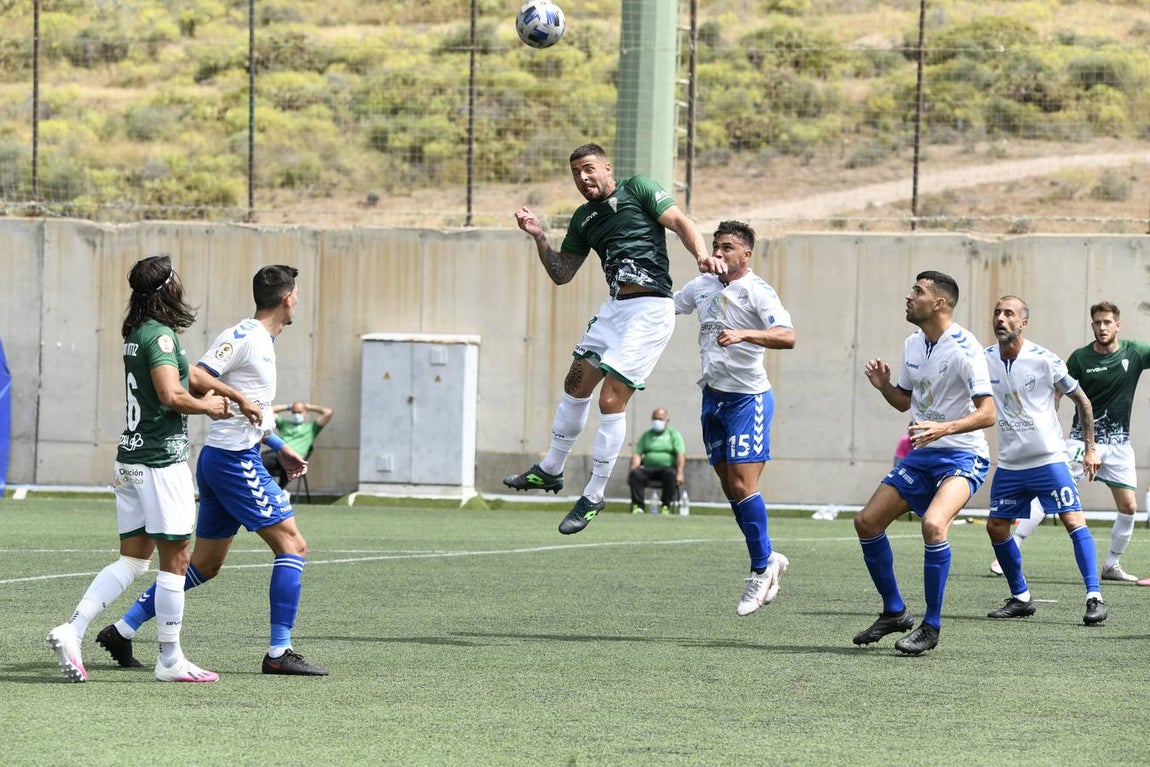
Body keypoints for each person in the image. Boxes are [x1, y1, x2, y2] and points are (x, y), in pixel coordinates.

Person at [95, 265, 329, 676]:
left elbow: (250, 414)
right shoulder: (246, 337)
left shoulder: (263, 341)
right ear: (288, 298)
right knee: (293, 547)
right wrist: (236, 397)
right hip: (232, 463)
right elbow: (198, 375)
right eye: (296, 296)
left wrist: (279, 446)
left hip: (226, 459)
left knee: (203, 565)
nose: (297, 302)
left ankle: (123, 628)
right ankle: (279, 652)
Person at [503, 143, 724, 534]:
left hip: (651, 310)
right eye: (575, 173)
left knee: (610, 400)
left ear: (607, 167)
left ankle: (593, 494)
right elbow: (562, 273)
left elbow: (680, 222)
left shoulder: (637, 188)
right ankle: (551, 469)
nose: (583, 178)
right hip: (615, 310)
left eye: (589, 169)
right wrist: (539, 238)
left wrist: (702, 256)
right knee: (575, 384)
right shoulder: (583, 218)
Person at [47, 255, 246, 683]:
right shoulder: (161, 337)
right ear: (167, 289)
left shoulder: (139, 333)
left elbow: (183, 373)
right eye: (177, 279)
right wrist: (210, 406)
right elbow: (172, 392)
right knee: (177, 559)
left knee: (133, 561)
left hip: (131, 460)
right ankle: (170, 660)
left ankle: (73, 628)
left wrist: (231, 393)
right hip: (159, 462)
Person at [852, 270, 995, 655]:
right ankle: (895, 611)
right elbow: (905, 401)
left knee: (933, 525)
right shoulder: (913, 344)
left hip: (964, 454)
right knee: (866, 522)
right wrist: (884, 386)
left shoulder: (967, 349)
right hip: (924, 455)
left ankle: (931, 626)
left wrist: (943, 429)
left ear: (940, 303)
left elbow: (988, 414)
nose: (909, 296)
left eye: (918, 291)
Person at [674, 220, 794, 615]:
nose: (720, 253)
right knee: (730, 487)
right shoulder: (703, 285)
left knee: (744, 484)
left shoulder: (758, 291)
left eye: (728, 247)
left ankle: (761, 568)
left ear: (746, 254)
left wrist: (745, 334)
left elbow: (787, 336)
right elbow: (671, 304)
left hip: (748, 399)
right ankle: (770, 558)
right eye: (716, 246)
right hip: (712, 398)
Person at [990, 301, 1150, 583]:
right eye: (1097, 323)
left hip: (1120, 443)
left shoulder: (1135, 352)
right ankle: (1011, 548)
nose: (1102, 327)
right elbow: (1058, 391)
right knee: (1050, 496)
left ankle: (1111, 565)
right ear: (1092, 326)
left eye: (1107, 322)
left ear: (1118, 325)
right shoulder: (1080, 358)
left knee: (1129, 507)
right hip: (1080, 441)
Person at [982, 296, 1108, 626]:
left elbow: (1082, 400)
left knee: (1072, 520)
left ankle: (1094, 597)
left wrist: (1090, 447)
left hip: (1049, 460)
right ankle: (1021, 597)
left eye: (1009, 314)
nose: (1001, 318)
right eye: (997, 313)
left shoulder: (1044, 360)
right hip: (1010, 464)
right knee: (996, 526)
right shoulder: (984, 360)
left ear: (1023, 322)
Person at [627, 407, 686, 515]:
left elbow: (680, 454)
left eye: (660, 419)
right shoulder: (646, 435)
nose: (657, 421)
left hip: (667, 470)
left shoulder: (674, 435)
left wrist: (680, 473)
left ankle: (665, 506)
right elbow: (637, 454)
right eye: (654, 419)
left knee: (671, 474)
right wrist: (632, 470)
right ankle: (638, 506)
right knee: (636, 474)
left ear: (666, 421)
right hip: (649, 469)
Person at [263, 400, 334, 487]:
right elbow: (267, 411)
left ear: (305, 412)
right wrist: (289, 406)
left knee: (290, 462)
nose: (296, 414)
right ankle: (266, 488)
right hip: (278, 455)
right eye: (294, 412)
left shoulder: (311, 428)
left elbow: (328, 412)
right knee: (260, 460)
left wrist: (308, 406)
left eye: (299, 412)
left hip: (294, 459)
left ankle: (281, 490)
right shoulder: (284, 424)